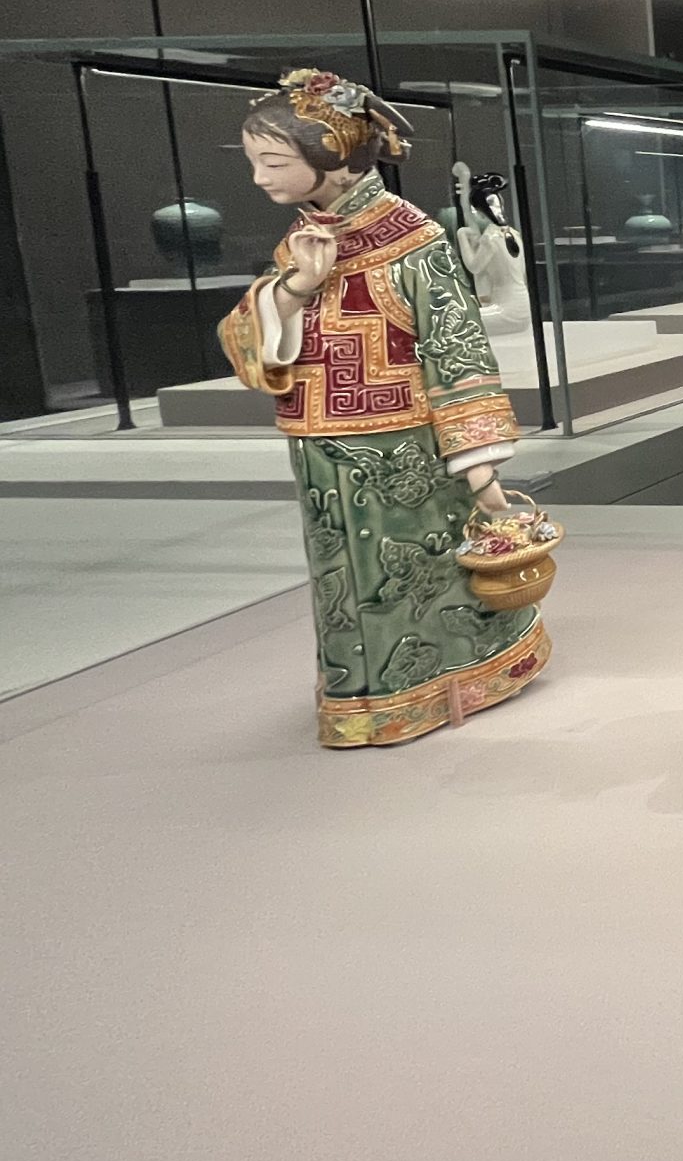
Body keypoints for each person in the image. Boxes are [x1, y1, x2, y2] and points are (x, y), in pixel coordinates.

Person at [217, 69, 549, 746]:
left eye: (272, 162)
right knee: (342, 573)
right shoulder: (306, 240)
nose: (258, 178)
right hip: (320, 444)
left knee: (417, 571)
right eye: (255, 162)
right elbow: (250, 335)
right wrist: (295, 289)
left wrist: (481, 471)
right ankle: (363, 697)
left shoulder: (413, 239)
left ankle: (439, 682)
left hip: (406, 446)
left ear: (335, 157)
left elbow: (456, 351)